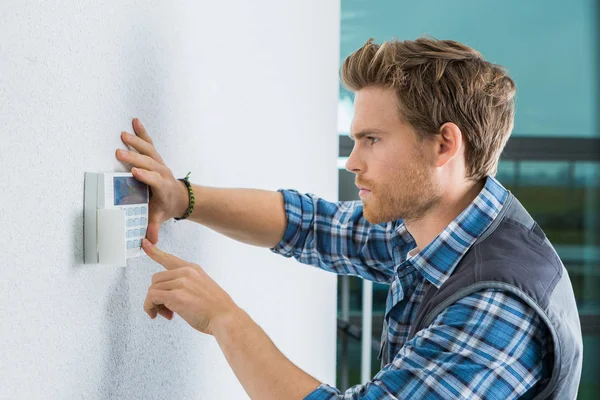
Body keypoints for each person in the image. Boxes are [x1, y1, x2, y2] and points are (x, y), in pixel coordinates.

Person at [115, 37, 583, 399]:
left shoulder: (496, 309)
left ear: (444, 145)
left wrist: (223, 317)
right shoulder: (441, 225)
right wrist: (181, 198)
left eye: (372, 140)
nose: (352, 163)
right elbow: (313, 225)